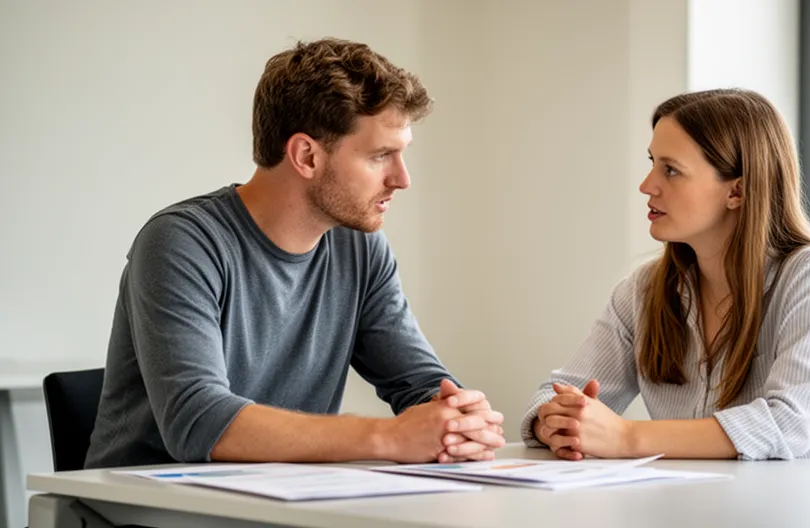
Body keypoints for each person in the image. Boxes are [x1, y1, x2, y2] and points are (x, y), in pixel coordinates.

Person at [85, 38, 504, 469]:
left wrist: (459, 419)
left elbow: (420, 385)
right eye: (381, 156)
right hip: (144, 508)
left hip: (279, 502)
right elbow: (198, 421)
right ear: (306, 156)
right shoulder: (182, 242)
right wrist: (388, 437)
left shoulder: (359, 248)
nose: (402, 179)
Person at [520, 88, 810, 463]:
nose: (647, 185)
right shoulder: (642, 291)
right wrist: (557, 422)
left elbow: (787, 423)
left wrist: (627, 436)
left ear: (737, 190)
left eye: (670, 170)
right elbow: (558, 393)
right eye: (653, 162)